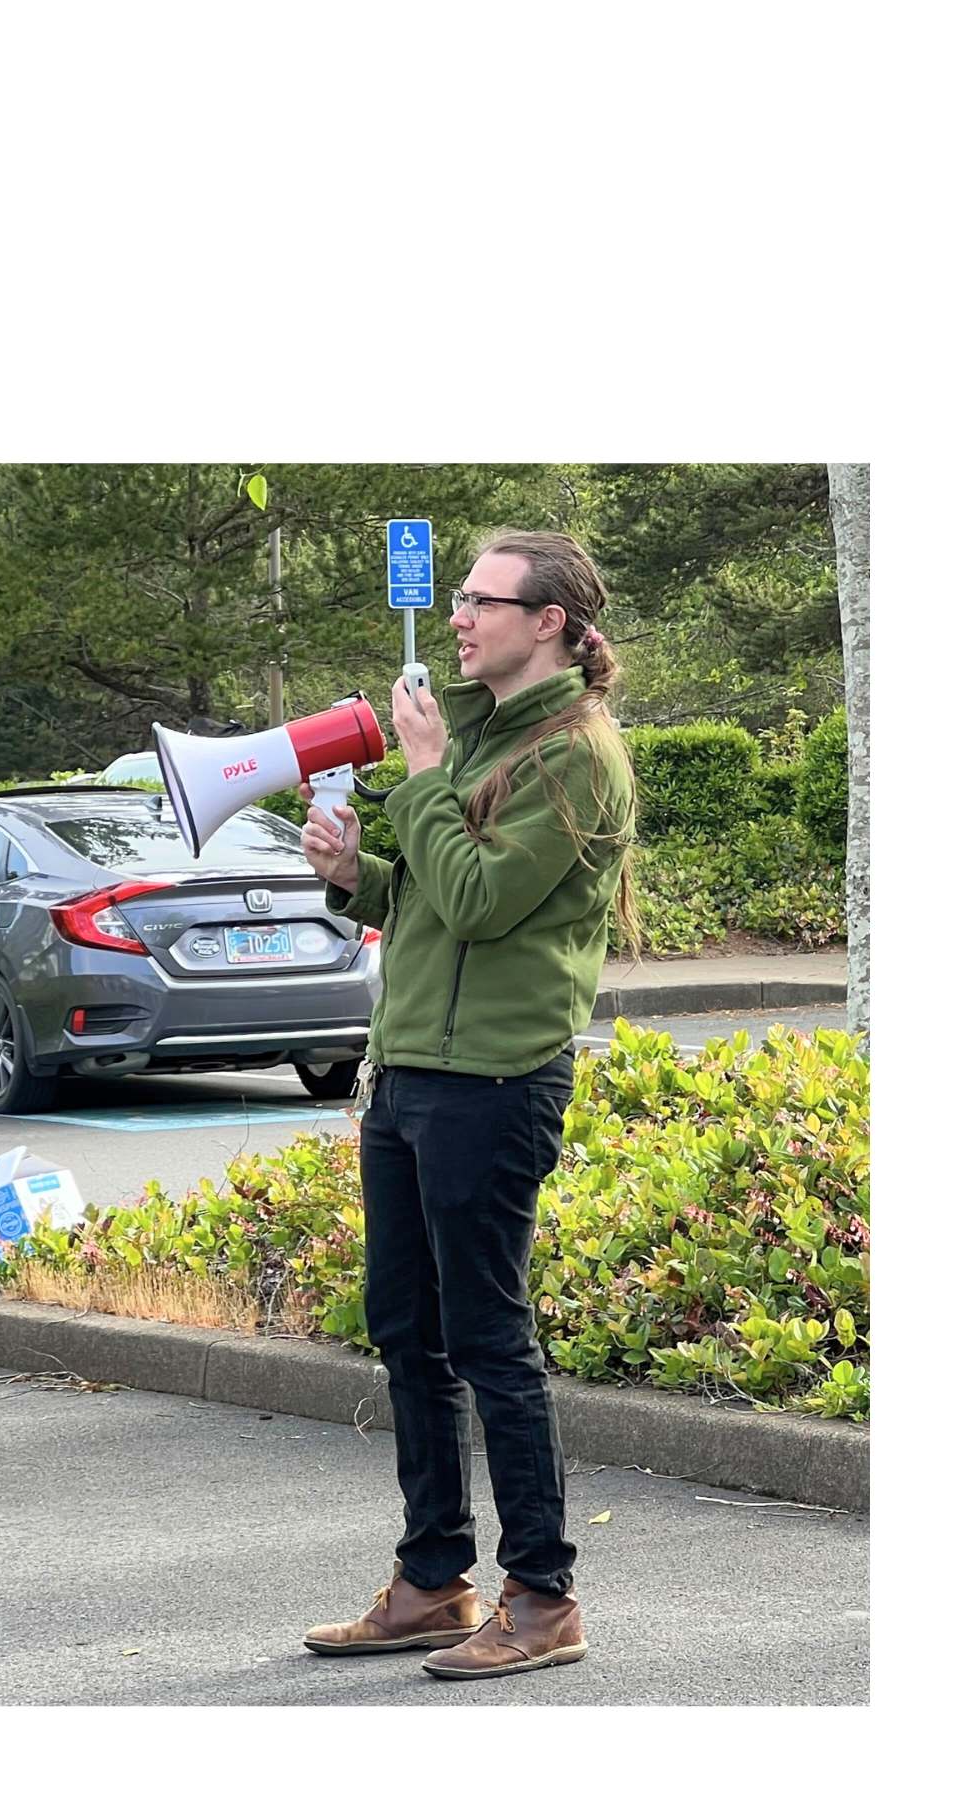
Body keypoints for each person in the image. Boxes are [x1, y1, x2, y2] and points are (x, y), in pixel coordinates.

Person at [300, 531, 639, 1680]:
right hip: (413, 1071)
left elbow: (491, 903)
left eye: (482, 601)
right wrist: (360, 876)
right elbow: (439, 901)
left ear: (546, 621)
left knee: (489, 1338)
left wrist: (428, 779)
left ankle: (544, 1600)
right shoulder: (483, 734)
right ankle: (434, 1580)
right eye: (456, 598)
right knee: (405, 1328)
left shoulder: (580, 754)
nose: (458, 618)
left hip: (495, 1077)